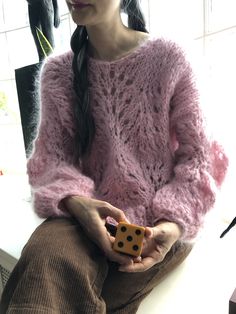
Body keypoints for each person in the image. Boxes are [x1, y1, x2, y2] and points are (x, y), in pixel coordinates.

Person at [0, 0, 228, 313]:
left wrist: (172, 226)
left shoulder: (169, 59)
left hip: (156, 224)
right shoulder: (57, 74)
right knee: (41, 272)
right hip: (79, 219)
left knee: (96, 300)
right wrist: (78, 204)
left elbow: (201, 159)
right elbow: (52, 162)